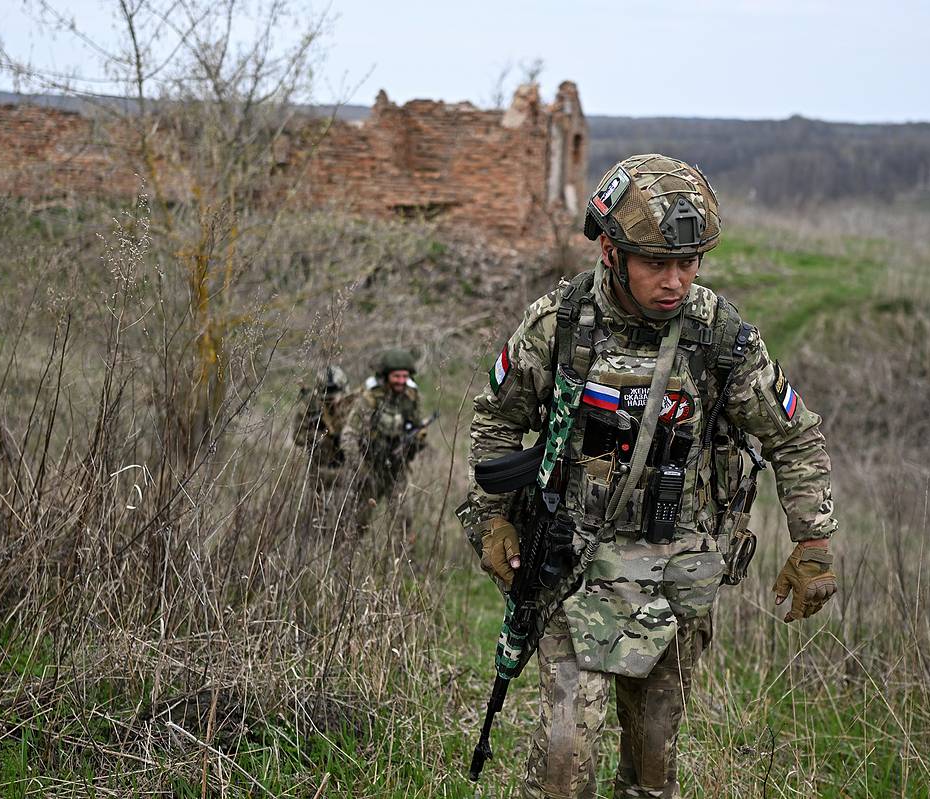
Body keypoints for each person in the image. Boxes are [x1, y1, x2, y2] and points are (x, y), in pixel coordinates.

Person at [463, 154, 838, 798]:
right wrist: (491, 519)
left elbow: (793, 435)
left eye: (689, 263)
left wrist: (814, 542)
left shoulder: (718, 336)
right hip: (571, 563)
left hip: (674, 579)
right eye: (656, 264)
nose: (675, 281)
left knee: (652, 771)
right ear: (611, 252)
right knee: (565, 760)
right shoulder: (561, 324)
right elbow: (496, 423)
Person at [341, 348, 428, 532]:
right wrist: (361, 470)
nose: (401, 381)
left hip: (397, 469)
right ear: (386, 375)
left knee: (404, 519)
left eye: (405, 376)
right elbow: (348, 435)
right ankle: (345, 557)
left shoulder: (411, 396)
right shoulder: (369, 397)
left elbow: (419, 426)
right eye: (396, 376)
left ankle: (401, 559)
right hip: (369, 467)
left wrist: (417, 441)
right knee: (357, 523)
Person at [293, 365, 353, 490]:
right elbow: (297, 436)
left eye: (335, 394)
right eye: (327, 396)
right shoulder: (310, 405)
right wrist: (318, 437)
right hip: (319, 469)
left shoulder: (353, 405)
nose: (332, 400)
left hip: (348, 470)